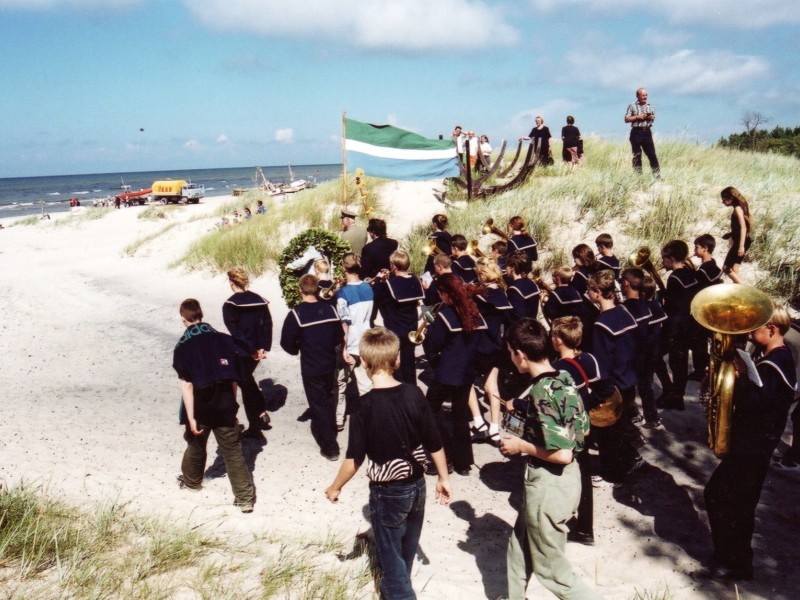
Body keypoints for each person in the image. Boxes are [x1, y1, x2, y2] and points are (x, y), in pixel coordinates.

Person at [325, 327, 452, 600]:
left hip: (388, 490)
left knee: (391, 558)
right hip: (418, 484)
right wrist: (443, 478)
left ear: (365, 364)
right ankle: (391, 593)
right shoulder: (414, 393)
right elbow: (434, 441)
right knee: (406, 549)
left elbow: (354, 459)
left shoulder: (363, 405)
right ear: (397, 361)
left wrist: (335, 487)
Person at [499, 318, 603, 600]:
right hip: (566, 484)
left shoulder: (539, 391)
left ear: (520, 354)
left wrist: (521, 445)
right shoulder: (564, 377)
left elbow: (562, 454)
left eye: (511, 352)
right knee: (519, 547)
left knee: (552, 571)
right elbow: (584, 428)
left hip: (549, 486)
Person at [703, 305, 796, 581]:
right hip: (753, 444)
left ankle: (731, 561)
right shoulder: (778, 356)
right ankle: (738, 560)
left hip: (752, 448)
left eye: (756, 327)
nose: (750, 331)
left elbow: (756, 404)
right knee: (738, 503)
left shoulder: (772, 366)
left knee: (720, 497)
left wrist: (740, 377)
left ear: (772, 329)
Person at [172, 298, 256, 512]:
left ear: (183, 319)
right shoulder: (224, 340)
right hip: (225, 399)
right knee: (232, 449)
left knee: (196, 441)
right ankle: (245, 498)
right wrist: (233, 402)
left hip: (201, 402)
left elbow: (187, 386)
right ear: (201, 315)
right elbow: (234, 379)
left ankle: (192, 482)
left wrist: (191, 417)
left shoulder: (183, 346)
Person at [550, 316, 616, 547]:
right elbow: (607, 387)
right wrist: (587, 405)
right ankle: (585, 529)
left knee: (560, 471)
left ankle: (558, 521)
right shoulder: (589, 359)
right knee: (584, 472)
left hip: (565, 428)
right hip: (586, 425)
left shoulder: (556, 369)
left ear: (558, 340)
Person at [423, 273, 487, 475]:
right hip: (467, 372)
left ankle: (444, 457)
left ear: (445, 293)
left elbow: (433, 344)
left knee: (430, 412)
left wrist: (429, 339)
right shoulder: (474, 312)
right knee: (460, 415)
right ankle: (463, 462)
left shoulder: (444, 315)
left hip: (446, 373)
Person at [587, 270, 644, 482]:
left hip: (613, 386)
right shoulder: (625, 313)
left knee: (607, 432)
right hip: (629, 380)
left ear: (598, 292)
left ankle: (613, 472)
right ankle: (633, 459)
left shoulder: (601, 324)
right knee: (624, 424)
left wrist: (598, 391)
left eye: (590, 291)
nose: (588, 294)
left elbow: (601, 364)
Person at [280, 274, 344, 460]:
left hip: (311, 366)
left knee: (318, 404)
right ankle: (331, 430)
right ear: (317, 288)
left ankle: (330, 446)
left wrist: (298, 349)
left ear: (300, 290)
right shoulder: (330, 309)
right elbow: (339, 336)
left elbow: (287, 343)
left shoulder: (296, 313)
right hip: (329, 362)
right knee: (329, 398)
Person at [222, 267, 273, 441]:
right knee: (247, 381)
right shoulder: (259, 300)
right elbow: (267, 324)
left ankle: (256, 425)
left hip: (243, 351)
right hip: (257, 350)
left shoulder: (230, 305)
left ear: (231, 283)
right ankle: (261, 413)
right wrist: (263, 347)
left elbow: (236, 332)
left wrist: (251, 350)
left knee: (245, 384)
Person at [334, 253, 374, 432]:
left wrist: (343, 348)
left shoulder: (342, 293)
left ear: (344, 268)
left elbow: (345, 322)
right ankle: (373, 416)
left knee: (341, 382)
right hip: (366, 338)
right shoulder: (368, 288)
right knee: (366, 383)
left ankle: (338, 418)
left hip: (351, 342)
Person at [373, 250, 424, 385]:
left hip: (395, 327)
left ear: (394, 266)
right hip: (411, 327)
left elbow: (377, 296)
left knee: (392, 361)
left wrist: (379, 279)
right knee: (409, 360)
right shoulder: (415, 280)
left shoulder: (391, 284)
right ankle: (411, 387)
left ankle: (395, 386)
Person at [659, 240, 699, 410]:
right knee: (680, 363)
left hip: (676, 328)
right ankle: (677, 395)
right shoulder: (690, 274)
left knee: (664, 359)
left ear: (672, 258)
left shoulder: (674, 278)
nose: (662, 262)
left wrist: (661, 300)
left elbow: (672, 306)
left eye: (664, 258)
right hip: (689, 325)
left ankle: (673, 394)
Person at [690, 234, 723, 380]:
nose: (694, 249)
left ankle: (700, 371)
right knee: (703, 341)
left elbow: (696, 289)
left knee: (699, 341)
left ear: (705, 248)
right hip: (713, 309)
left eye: (697, 247)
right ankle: (707, 367)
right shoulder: (714, 267)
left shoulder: (704, 271)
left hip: (704, 310)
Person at [720, 186, 753, 284]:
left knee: (726, 268)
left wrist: (741, 246)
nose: (723, 202)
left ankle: (742, 288)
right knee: (735, 268)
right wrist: (730, 234)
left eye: (724, 200)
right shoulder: (740, 207)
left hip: (740, 242)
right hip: (744, 241)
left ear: (730, 198)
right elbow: (740, 227)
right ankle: (738, 289)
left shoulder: (737, 209)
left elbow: (744, 227)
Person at [625, 87, 660, 175]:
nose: (645, 97)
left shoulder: (650, 106)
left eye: (646, 95)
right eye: (643, 95)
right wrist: (637, 117)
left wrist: (651, 117)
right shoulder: (632, 106)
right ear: (638, 96)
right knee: (637, 156)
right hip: (636, 132)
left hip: (647, 132)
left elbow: (653, 118)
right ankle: (638, 177)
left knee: (652, 155)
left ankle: (657, 176)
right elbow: (626, 119)